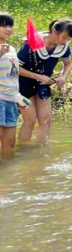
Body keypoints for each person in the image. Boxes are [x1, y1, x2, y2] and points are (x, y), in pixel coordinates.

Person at [17, 18, 72, 145]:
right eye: (64, 37)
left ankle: (41, 149)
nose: (66, 41)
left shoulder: (63, 48)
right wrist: (38, 76)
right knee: (30, 119)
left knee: (46, 120)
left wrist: (63, 77)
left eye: (68, 39)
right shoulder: (30, 44)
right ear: (54, 31)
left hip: (43, 84)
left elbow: (68, 64)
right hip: (23, 84)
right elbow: (16, 68)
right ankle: (23, 150)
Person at [0, 13, 21, 157]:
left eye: (10, 25)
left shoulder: (11, 48)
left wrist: (19, 97)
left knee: (10, 143)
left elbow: (13, 75)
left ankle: (8, 174)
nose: (8, 29)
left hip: (11, 99)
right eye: (3, 25)